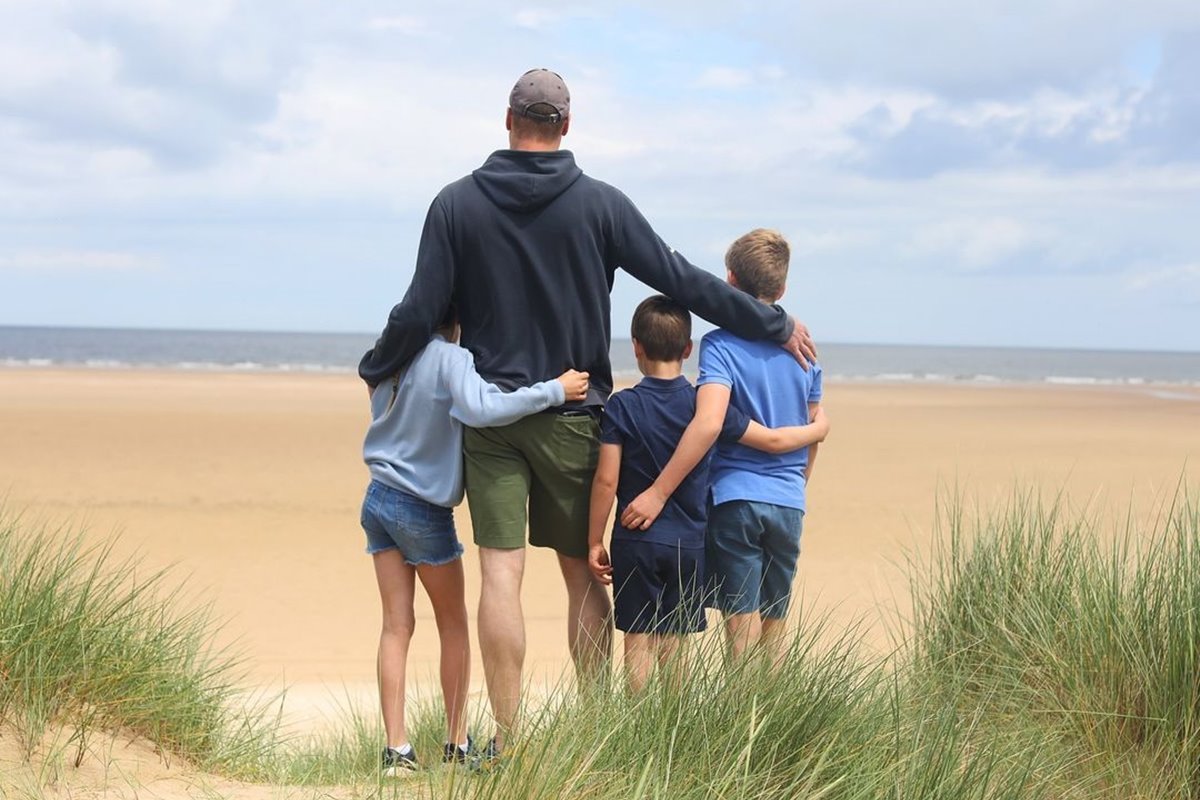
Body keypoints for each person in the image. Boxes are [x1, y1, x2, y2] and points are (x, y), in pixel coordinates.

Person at [358, 68, 817, 761]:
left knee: (501, 576)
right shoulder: (600, 204)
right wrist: (770, 322)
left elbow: (420, 311)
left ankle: (508, 745)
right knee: (582, 574)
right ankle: (601, 733)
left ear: (507, 119)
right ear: (566, 127)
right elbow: (682, 278)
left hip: (493, 422)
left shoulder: (456, 204)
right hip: (578, 416)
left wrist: (377, 364)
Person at [359, 303, 588, 774]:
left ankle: (396, 751)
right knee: (453, 625)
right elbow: (484, 408)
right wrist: (553, 391)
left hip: (378, 498)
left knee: (395, 626)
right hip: (421, 507)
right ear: (457, 320)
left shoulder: (389, 357)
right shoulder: (450, 358)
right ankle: (456, 742)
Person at [587, 295, 829, 691]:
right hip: (690, 542)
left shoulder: (622, 405)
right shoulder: (705, 407)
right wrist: (817, 431)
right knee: (676, 642)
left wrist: (595, 538)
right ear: (687, 349)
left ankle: (636, 727)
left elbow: (606, 481)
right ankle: (673, 729)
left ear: (636, 346)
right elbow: (767, 438)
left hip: (635, 539)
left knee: (638, 640)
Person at [619, 230, 823, 662]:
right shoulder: (806, 352)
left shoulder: (720, 345)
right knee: (775, 622)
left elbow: (709, 422)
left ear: (728, 282)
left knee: (740, 627)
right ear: (782, 288)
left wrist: (658, 492)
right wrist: (795, 485)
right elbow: (813, 431)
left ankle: (739, 721)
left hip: (735, 498)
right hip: (789, 501)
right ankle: (772, 719)